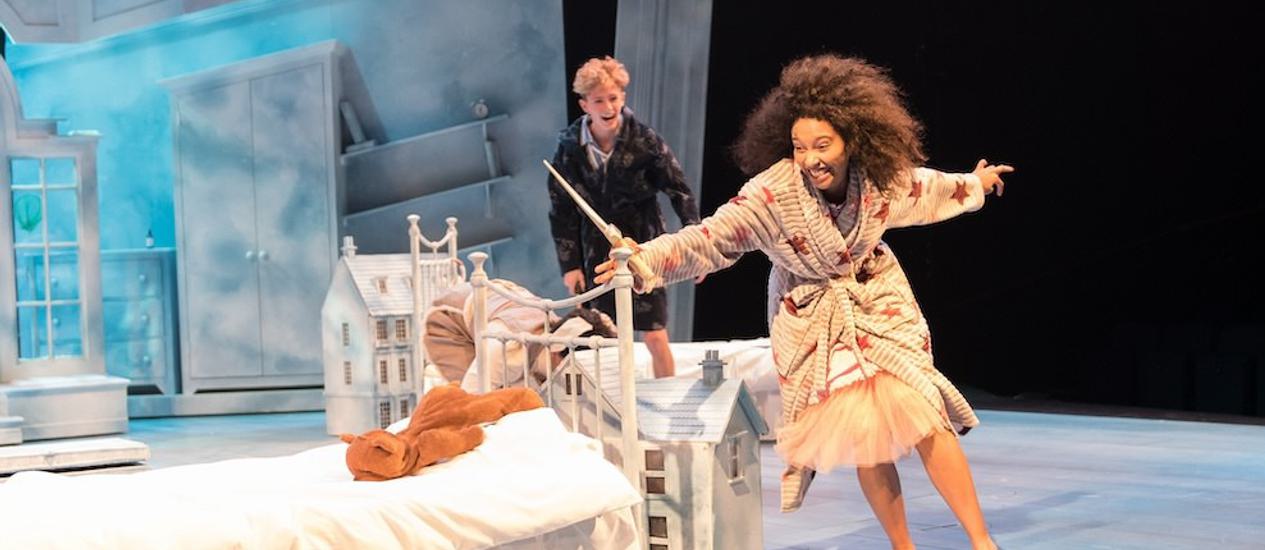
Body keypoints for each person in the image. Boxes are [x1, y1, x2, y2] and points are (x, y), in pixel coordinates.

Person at [595, 54, 1012, 550]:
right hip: (813, 317)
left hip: (877, 298)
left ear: (852, 140)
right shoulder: (772, 195)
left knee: (924, 410)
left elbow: (930, 189)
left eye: (823, 145)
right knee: (868, 436)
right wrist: (643, 259)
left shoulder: (878, 178)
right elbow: (710, 237)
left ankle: (982, 542)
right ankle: (905, 546)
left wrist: (976, 184)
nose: (810, 157)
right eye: (799, 146)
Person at [546, 56, 700, 379]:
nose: (608, 106)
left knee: (656, 335)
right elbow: (561, 208)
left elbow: (679, 190)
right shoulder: (569, 147)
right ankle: (614, 409)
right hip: (596, 253)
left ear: (623, 98)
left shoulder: (645, 141)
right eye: (599, 100)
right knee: (604, 337)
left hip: (642, 247)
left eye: (613, 98)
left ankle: (668, 408)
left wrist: (695, 247)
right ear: (584, 104)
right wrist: (570, 264)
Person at [422, 279, 616, 392]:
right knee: (484, 401)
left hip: (493, 309)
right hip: (448, 325)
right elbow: (471, 393)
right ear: (558, 352)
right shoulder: (507, 346)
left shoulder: (553, 334)